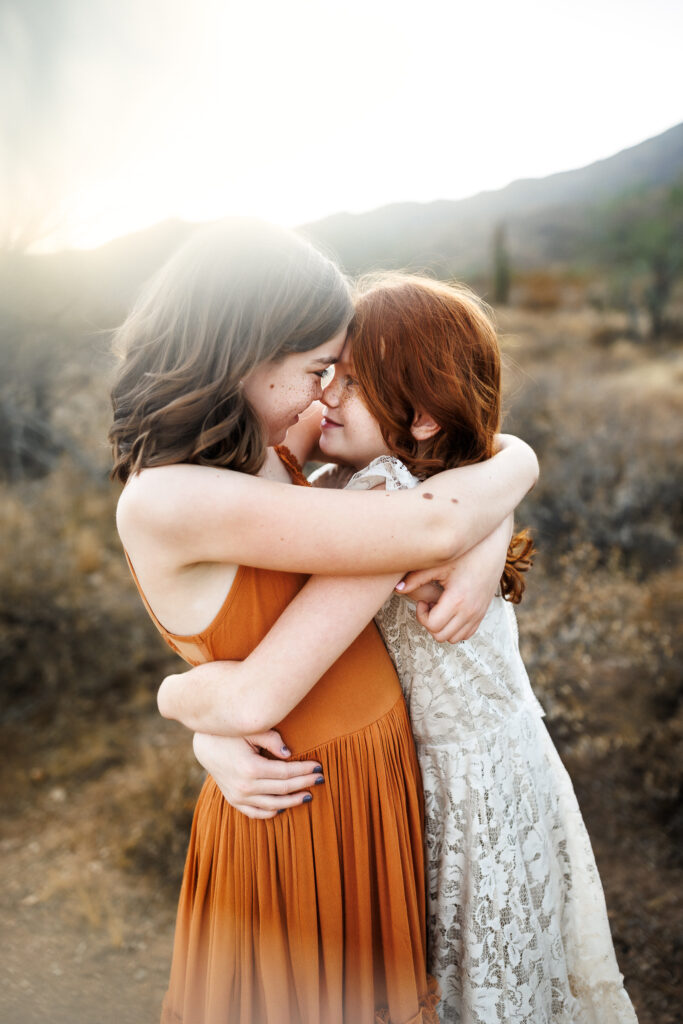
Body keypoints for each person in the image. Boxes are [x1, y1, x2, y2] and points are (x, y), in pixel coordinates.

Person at [159, 274, 638, 1023]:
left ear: (416, 416)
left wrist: (183, 705)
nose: (326, 400)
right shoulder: (406, 489)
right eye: (326, 377)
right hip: (463, 772)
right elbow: (497, 459)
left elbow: (267, 674)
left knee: (476, 983)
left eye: (349, 383)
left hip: (463, 790)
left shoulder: (384, 497)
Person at [110, 223, 539, 1024]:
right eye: (316, 370)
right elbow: (429, 514)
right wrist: (185, 705)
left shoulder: (269, 447)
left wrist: (497, 496)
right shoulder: (171, 498)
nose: (321, 397)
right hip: (303, 799)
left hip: (366, 774)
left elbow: (441, 458)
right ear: (248, 353)